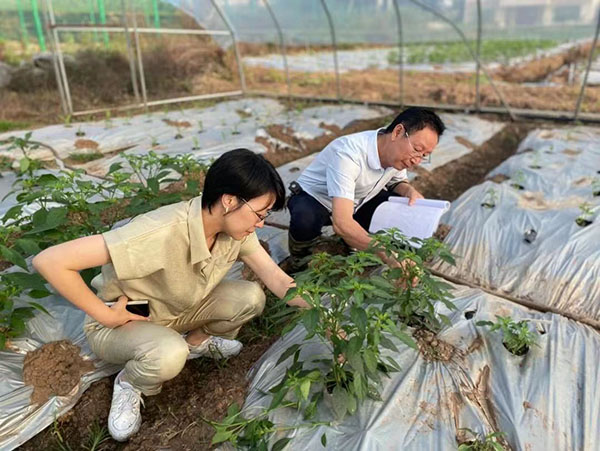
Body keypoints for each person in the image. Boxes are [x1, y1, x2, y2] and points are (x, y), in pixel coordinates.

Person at [33, 149, 306, 442]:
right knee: (169, 354)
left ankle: (197, 342)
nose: (262, 224)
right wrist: (105, 314)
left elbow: (277, 278)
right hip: (127, 320)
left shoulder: (235, 232)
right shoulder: (160, 232)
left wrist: (327, 315)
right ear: (229, 201)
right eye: (260, 214)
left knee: (251, 297)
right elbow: (50, 261)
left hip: (177, 310)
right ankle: (130, 382)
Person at [287, 107, 445, 265]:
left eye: (424, 155)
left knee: (399, 205)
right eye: (417, 150)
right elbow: (341, 223)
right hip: (317, 200)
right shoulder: (349, 154)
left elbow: (396, 181)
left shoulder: (395, 155)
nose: (417, 161)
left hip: (357, 200)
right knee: (305, 218)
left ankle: (354, 241)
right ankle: (300, 257)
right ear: (397, 132)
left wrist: (409, 191)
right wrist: (389, 257)